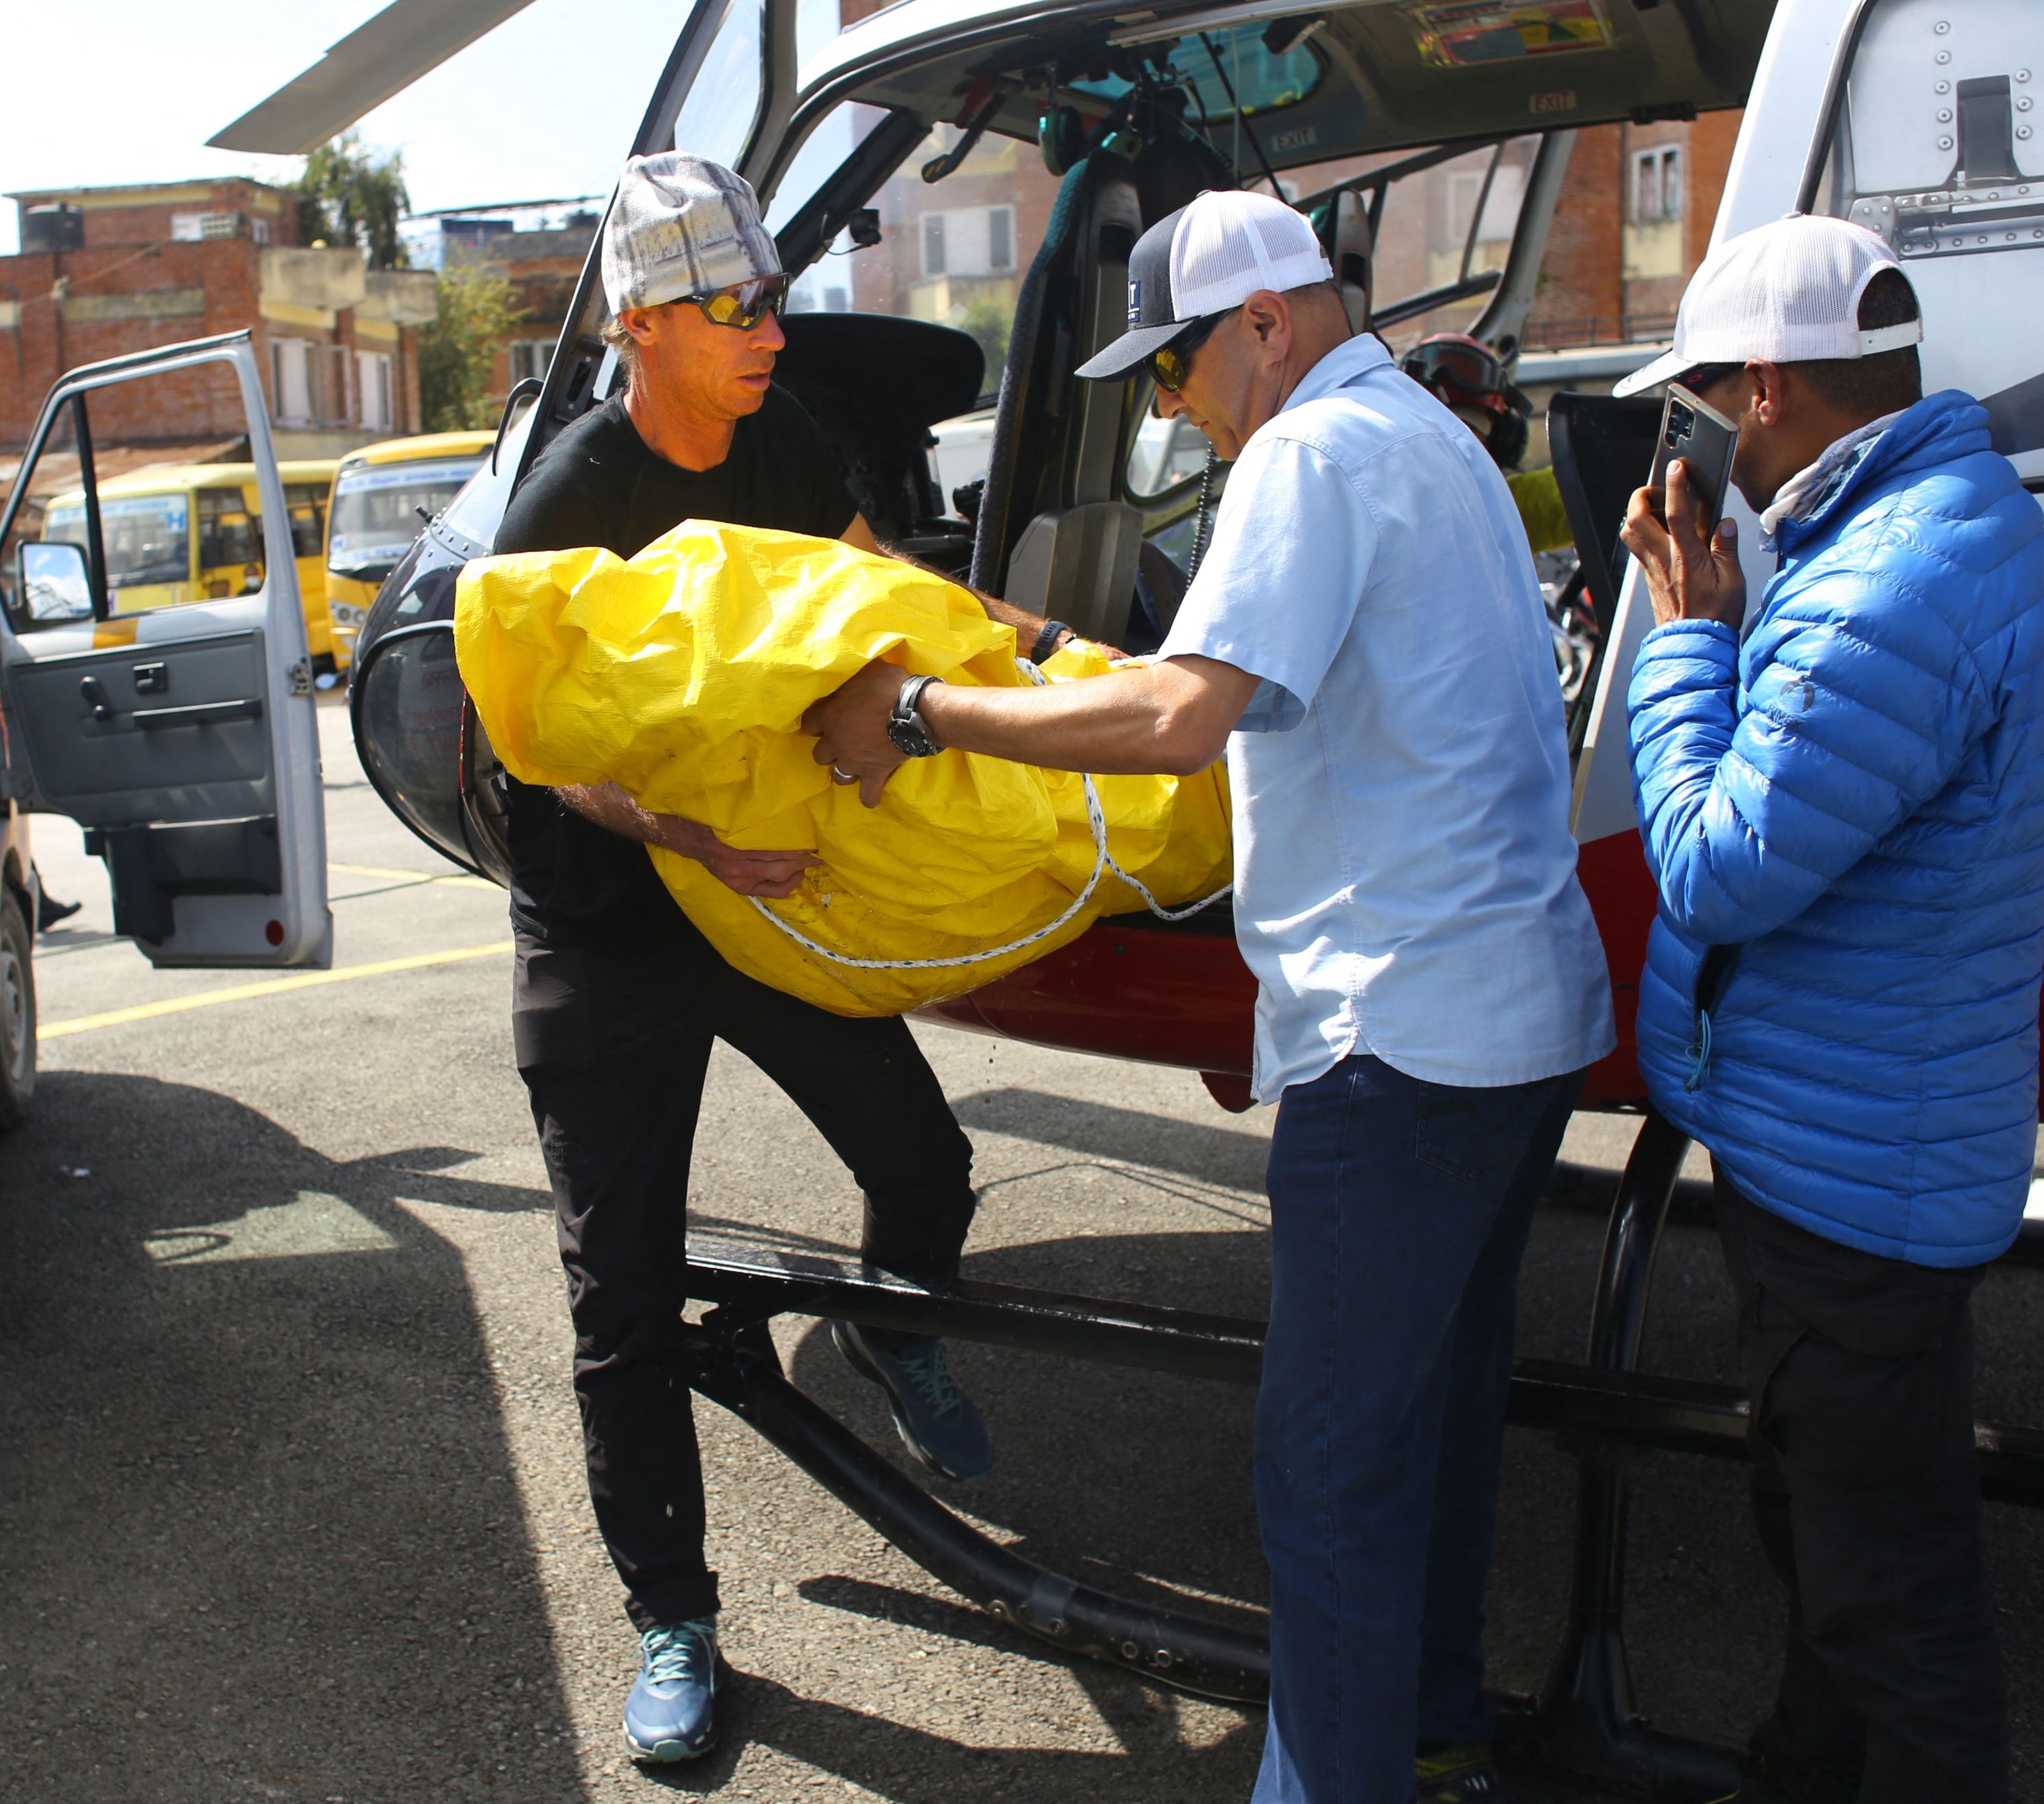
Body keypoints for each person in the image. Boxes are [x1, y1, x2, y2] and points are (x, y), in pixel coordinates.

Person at [806, 187, 1616, 1804]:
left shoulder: (1305, 455)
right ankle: (1426, 1715)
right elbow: (1220, 684)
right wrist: (995, 627)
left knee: (1324, 1462)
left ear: (1265, 324)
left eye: (1173, 369)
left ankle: (1326, 1780)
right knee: (1433, 1416)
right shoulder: (1426, 435)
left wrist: (917, 708)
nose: (1167, 409)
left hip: (1405, 1043)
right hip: (1511, 1017)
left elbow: (1179, 717)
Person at [489, 152, 1054, 1765]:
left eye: (771, 301)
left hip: (764, 901)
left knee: (923, 1161)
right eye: (730, 309)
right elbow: (525, 747)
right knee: (621, 1289)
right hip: (609, 916)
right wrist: (688, 840)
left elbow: (888, 586)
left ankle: (892, 1320)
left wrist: (1032, 645)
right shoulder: (571, 502)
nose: (763, 333)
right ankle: (672, 1613)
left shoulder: (779, 435)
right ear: (636, 321)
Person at [1611, 214, 2044, 1803]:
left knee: (1890, 1585)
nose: (1694, 451)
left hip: (1851, 1172)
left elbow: (1718, 869)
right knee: (1828, 1526)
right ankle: (1802, 1769)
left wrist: (1682, 635)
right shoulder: (1916, 528)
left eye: (1696, 411)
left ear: (1760, 391)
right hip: (1856, 1131)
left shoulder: (1893, 579)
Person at [1398, 334, 1570, 555]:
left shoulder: (1510, 509)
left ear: (1500, 444)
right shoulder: (1367, 516)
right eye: (1431, 440)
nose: (1449, 456)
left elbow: (1595, 481)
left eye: (1467, 439)